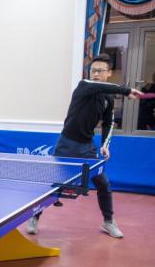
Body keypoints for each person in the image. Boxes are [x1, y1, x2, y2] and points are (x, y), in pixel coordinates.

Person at [26, 53, 141, 239]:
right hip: (67, 144)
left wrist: (105, 145)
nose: (95, 74)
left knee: (103, 183)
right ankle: (34, 217)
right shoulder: (84, 85)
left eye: (100, 71)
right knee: (52, 184)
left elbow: (108, 123)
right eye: (93, 70)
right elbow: (101, 86)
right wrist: (126, 90)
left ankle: (108, 221)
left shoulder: (108, 98)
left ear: (109, 73)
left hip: (87, 147)